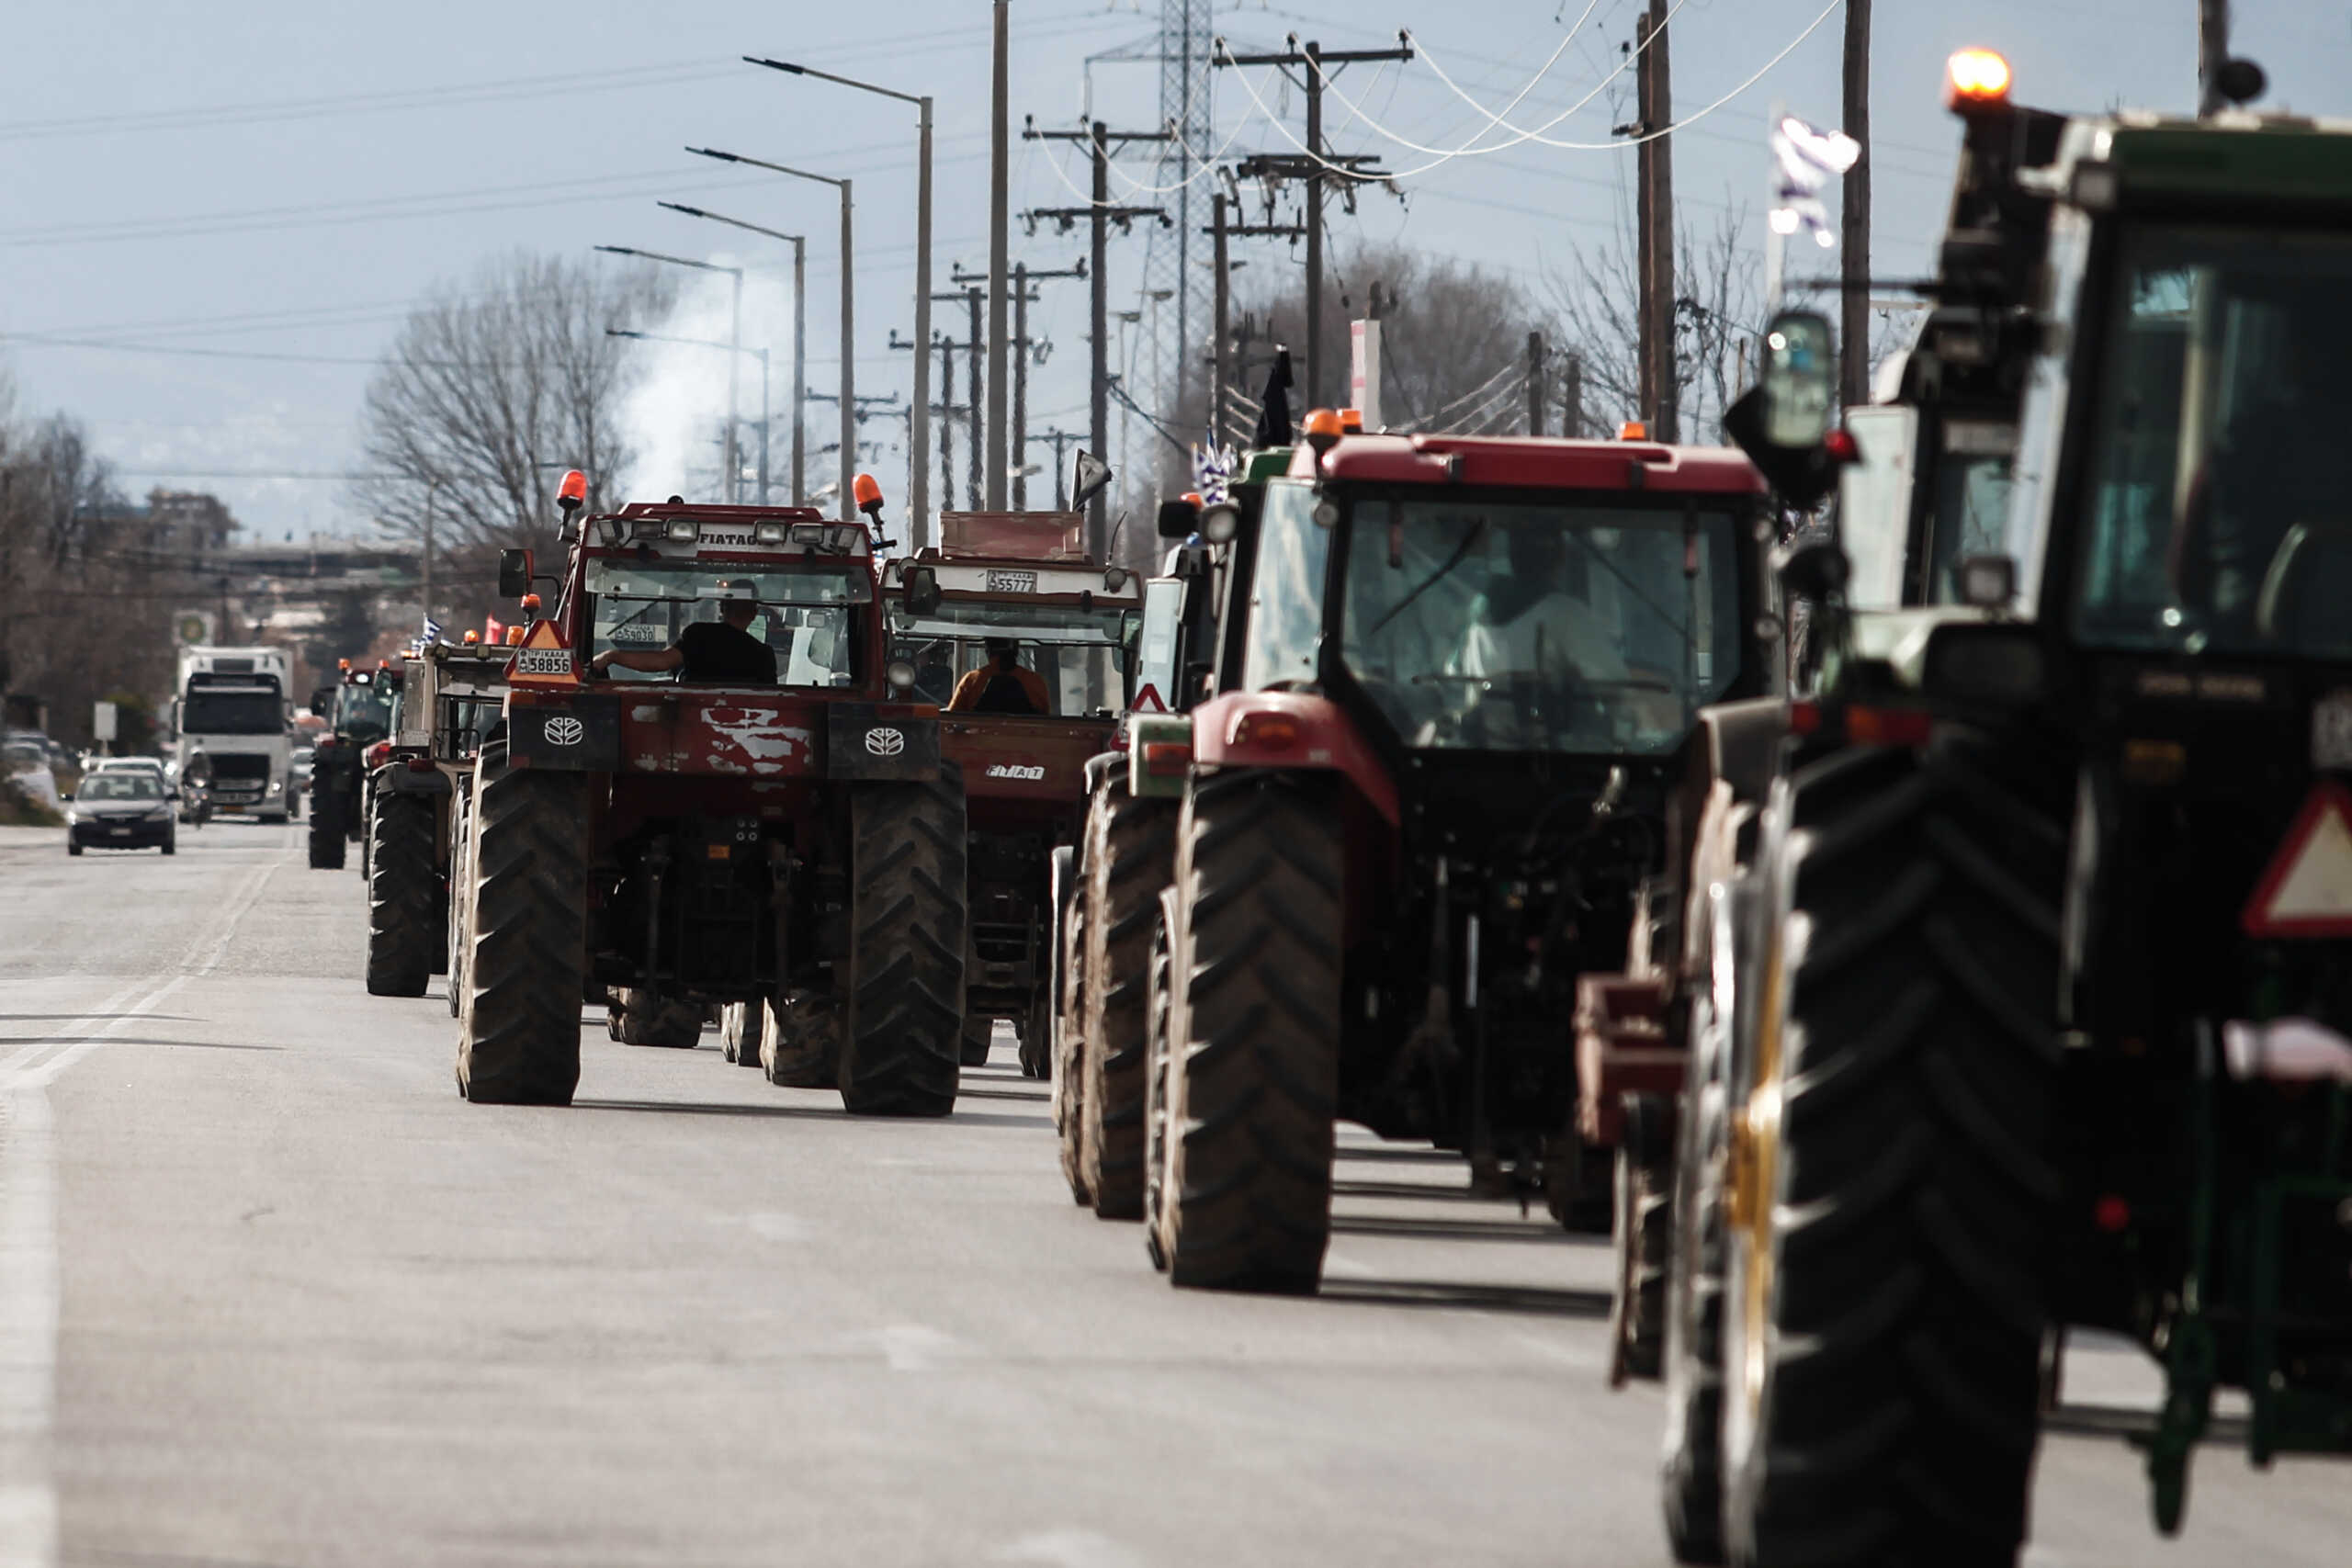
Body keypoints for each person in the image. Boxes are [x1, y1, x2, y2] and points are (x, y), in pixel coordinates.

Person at [592, 579, 777, 684]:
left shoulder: (699, 635)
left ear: (722, 607)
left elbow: (661, 662)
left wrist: (611, 656)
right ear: (754, 613)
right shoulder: (764, 654)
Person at [947, 638, 1050, 715]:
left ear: (988, 651)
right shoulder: (1035, 681)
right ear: (1017, 652)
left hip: (978, 741)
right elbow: (1046, 721)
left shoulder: (971, 680)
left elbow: (952, 720)